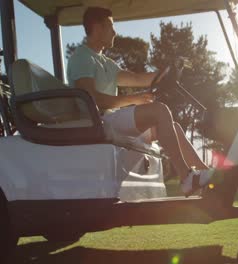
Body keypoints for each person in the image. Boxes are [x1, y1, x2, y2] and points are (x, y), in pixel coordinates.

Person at [67, 6, 213, 196]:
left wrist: (168, 71)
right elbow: (92, 99)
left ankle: (205, 174)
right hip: (98, 121)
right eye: (110, 26)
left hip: (110, 120)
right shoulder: (82, 57)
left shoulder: (105, 62)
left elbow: (137, 78)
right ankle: (186, 178)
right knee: (159, 111)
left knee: (173, 128)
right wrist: (134, 99)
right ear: (97, 27)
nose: (114, 32)